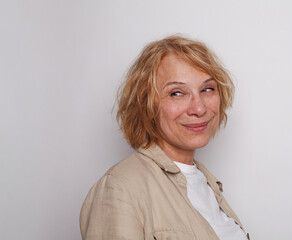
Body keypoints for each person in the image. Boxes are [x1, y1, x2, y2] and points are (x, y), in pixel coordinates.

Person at [80, 35, 250, 240]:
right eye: (177, 93)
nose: (199, 108)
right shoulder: (121, 187)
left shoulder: (207, 185)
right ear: (147, 105)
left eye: (207, 89)